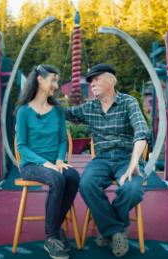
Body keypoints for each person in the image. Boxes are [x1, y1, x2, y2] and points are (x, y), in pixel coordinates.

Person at [66, 64, 149, 257]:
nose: (92, 84)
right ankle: (116, 231)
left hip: (127, 157)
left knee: (132, 189)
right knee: (86, 184)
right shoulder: (89, 108)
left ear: (111, 81)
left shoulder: (128, 103)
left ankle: (107, 229)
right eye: (90, 81)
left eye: (97, 79)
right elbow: (64, 113)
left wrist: (134, 162)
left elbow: (141, 132)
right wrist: (40, 101)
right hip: (101, 159)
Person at [15, 64, 80, 259]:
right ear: (39, 79)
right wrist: (46, 164)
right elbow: (22, 147)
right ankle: (52, 236)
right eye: (53, 79)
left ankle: (55, 228)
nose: (56, 85)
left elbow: (62, 140)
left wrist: (60, 160)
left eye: (57, 80)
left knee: (73, 176)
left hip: (55, 163)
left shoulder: (58, 110)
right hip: (31, 165)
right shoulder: (23, 112)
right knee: (57, 179)